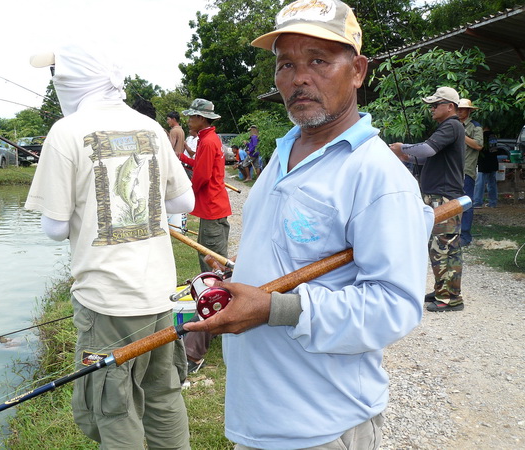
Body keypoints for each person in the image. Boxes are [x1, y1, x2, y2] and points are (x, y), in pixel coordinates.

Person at [185, 1, 434, 448]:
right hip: (260, 417)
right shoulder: (283, 154)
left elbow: (394, 306)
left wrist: (274, 308)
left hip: (321, 425)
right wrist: (238, 275)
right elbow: (288, 253)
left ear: (357, 70)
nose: (299, 77)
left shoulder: (376, 174)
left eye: (318, 60)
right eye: (286, 64)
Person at [24, 41, 193, 449]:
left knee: (112, 409)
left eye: (56, 75)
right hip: (161, 297)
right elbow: (183, 202)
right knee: (164, 395)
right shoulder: (151, 128)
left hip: (107, 303)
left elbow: (53, 228)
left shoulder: (65, 133)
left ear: (71, 80)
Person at [390, 86, 466, 312]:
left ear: (450, 106)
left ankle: (450, 299)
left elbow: (427, 150)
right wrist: (407, 156)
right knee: (439, 246)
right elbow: (427, 159)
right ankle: (443, 289)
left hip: (444, 197)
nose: (431, 108)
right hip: (438, 195)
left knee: (444, 246)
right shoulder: (447, 128)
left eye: (435, 104)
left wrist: (401, 147)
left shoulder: (451, 125)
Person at [178, 98, 232, 375]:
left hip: (211, 208)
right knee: (210, 263)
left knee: (211, 270)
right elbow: (199, 166)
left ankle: (212, 322)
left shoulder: (208, 141)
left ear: (203, 118)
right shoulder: (208, 140)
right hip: (212, 207)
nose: (189, 120)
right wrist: (183, 159)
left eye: (192, 117)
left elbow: (199, 178)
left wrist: (183, 188)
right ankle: (214, 320)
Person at [457, 98, 483, 246]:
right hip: (453, 169)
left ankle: (465, 236)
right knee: (453, 202)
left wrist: (462, 134)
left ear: (469, 111)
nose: (460, 111)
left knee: (466, 202)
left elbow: (478, 145)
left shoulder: (475, 127)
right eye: (458, 108)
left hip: (467, 169)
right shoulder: (453, 124)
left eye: (463, 109)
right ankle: (454, 234)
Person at [473, 126, 499, 208]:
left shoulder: (481, 136)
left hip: (483, 162)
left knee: (480, 183)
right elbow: (494, 150)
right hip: (493, 161)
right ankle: (493, 202)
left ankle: (477, 202)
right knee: (492, 183)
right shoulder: (493, 136)